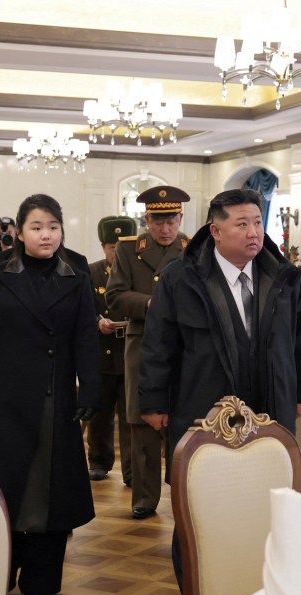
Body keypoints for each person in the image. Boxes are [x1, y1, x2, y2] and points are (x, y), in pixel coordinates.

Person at [138, 188, 301, 587]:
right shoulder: (181, 277)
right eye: (241, 224)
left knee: (269, 503)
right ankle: (199, 591)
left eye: (257, 222)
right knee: (202, 503)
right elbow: (158, 345)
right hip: (202, 406)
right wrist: (153, 401)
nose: (253, 232)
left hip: (270, 406)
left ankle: (263, 587)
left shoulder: (283, 275)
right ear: (215, 231)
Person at [0, 194, 99, 595]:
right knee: (4, 486)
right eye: (37, 227)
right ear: (19, 232)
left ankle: (41, 578)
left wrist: (89, 389)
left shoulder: (76, 275)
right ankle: (2, 569)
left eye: (53, 227)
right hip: (6, 397)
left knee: (47, 491)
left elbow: (86, 340)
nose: (46, 235)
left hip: (54, 398)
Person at [105, 185, 190, 520]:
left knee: (183, 421)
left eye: (171, 220)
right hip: (141, 343)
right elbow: (114, 297)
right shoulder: (128, 250)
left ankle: (184, 494)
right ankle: (144, 498)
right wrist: (152, 303)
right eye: (158, 221)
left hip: (184, 346)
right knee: (142, 423)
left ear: (180, 218)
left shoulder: (194, 248)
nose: (165, 228)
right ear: (146, 220)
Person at [87, 215, 137, 484]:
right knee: (100, 415)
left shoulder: (137, 272)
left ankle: (131, 471)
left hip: (130, 353)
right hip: (102, 353)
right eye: (110, 246)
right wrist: (98, 321)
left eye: (120, 246)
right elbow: (84, 307)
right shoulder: (91, 271)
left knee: (131, 417)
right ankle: (99, 461)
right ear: (102, 246)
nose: (115, 252)